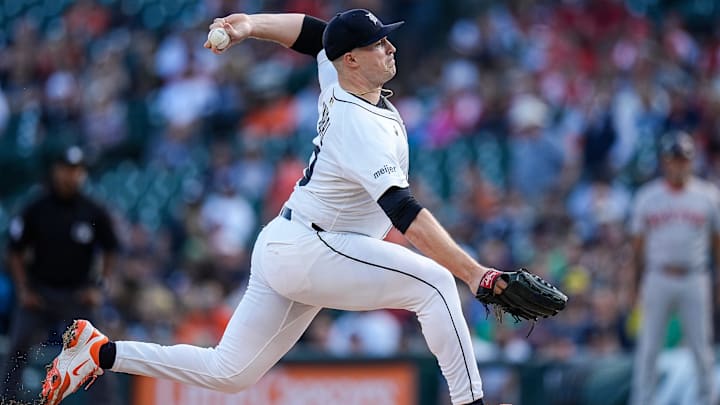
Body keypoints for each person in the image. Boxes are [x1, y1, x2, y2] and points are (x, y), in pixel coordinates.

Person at [39, 10, 512, 405]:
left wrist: (248, 25)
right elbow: (405, 214)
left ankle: (100, 353)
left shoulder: (341, 74)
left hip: (292, 243)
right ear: (352, 60)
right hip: (316, 246)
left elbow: (313, 34)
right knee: (435, 281)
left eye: (386, 40)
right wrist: (475, 273)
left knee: (229, 372)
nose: (390, 47)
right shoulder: (357, 125)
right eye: (378, 44)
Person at [2, 146, 119, 404]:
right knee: (18, 347)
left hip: (78, 296)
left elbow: (111, 249)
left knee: (99, 351)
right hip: (39, 292)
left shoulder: (93, 211)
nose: (72, 176)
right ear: (55, 171)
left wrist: (100, 287)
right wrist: (23, 290)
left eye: (77, 170)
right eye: (67, 169)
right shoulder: (36, 208)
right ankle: (6, 399)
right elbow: (15, 252)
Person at [629, 131, 720, 405]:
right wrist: (634, 287)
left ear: (691, 161)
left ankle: (706, 400)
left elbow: (717, 244)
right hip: (658, 275)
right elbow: (637, 249)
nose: (678, 164)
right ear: (664, 161)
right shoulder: (648, 196)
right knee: (649, 348)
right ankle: (643, 400)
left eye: (683, 159)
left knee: (701, 348)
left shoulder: (708, 196)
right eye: (673, 159)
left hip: (695, 275)